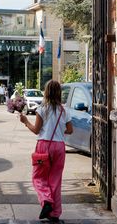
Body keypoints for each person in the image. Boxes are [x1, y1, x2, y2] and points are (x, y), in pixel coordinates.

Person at [19, 80, 72, 222]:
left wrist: (25, 121)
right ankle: (54, 214)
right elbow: (70, 130)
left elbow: (36, 130)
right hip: (59, 147)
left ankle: (46, 201)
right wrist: (60, 130)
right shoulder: (64, 110)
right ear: (59, 93)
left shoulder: (42, 109)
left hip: (44, 146)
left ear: (46, 92)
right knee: (55, 179)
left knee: (38, 177)